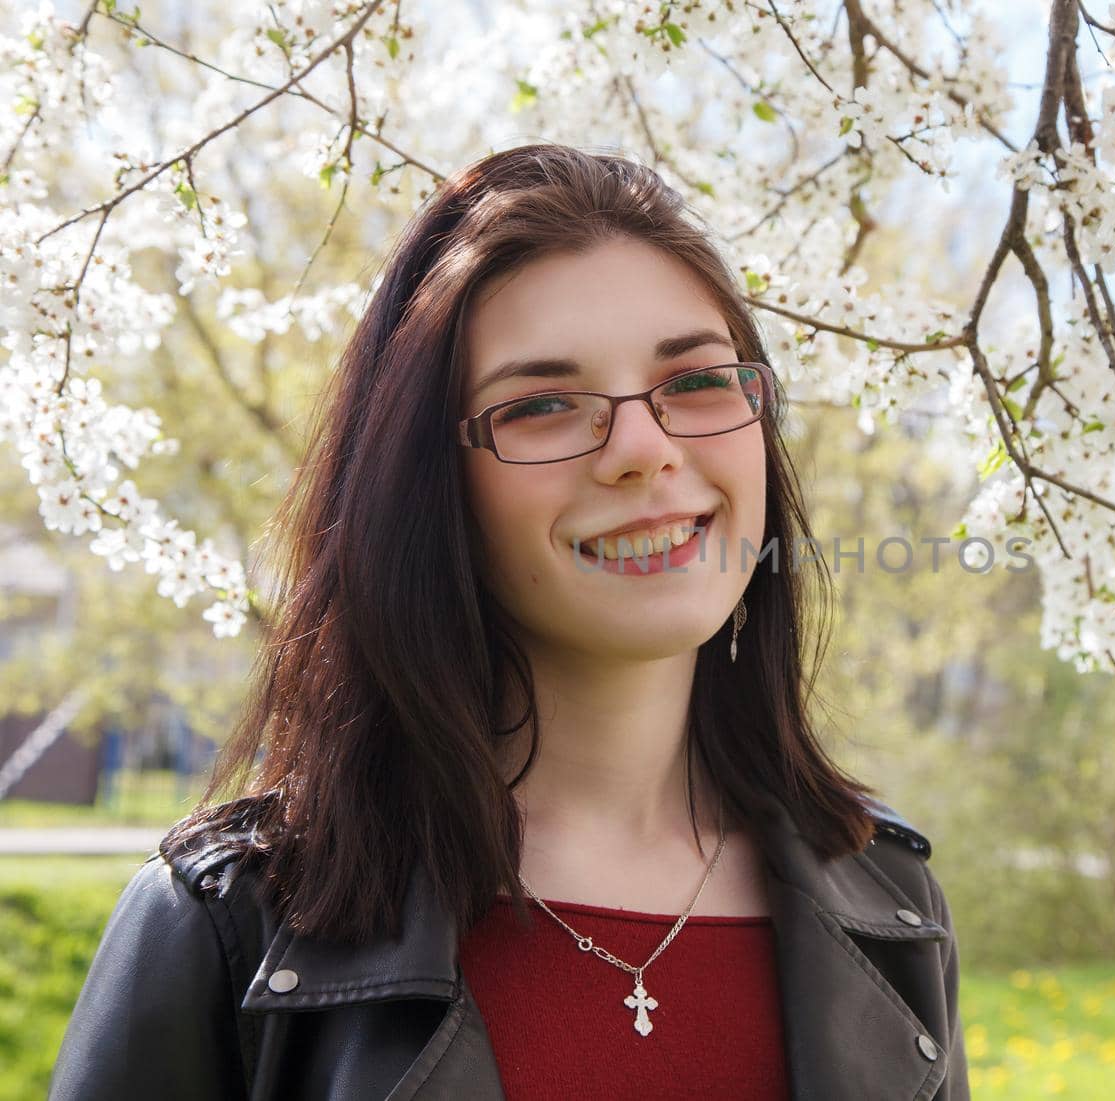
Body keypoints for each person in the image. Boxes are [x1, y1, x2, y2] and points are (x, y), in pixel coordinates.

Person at [48, 143, 969, 1100]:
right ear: (429, 489)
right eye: (541, 405)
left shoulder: (890, 909)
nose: (644, 452)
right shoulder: (234, 927)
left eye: (696, 382)